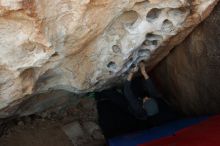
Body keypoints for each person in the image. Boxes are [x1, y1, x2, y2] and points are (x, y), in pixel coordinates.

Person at [95, 62, 181, 137]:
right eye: (149, 99)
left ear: (143, 106)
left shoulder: (138, 108)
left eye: (146, 100)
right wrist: (143, 72)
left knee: (111, 94)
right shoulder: (155, 100)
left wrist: (131, 73)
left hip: (129, 106)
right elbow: (151, 88)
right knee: (136, 82)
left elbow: (127, 92)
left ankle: (98, 94)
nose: (147, 98)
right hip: (140, 99)